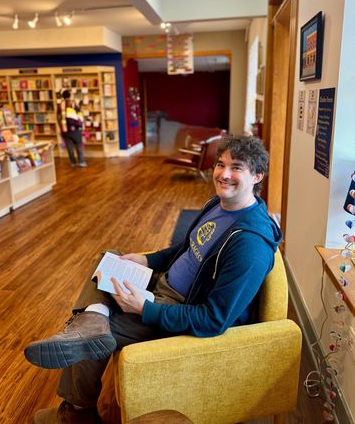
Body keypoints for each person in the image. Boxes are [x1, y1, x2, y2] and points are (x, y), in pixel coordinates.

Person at [24, 135, 282, 424]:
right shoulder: (219, 205)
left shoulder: (250, 244)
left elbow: (214, 319)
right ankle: (91, 320)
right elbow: (187, 248)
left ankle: (77, 413)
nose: (223, 174)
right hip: (163, 282)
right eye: (220, 164)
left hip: (178, 308)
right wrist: (147, 260)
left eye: (237, 168)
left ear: (257, 176)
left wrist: (146, 309)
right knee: (108, 259)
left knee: (95, 330)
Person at [57, 90, 87, 167]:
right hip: (75, 129)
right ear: (70, 96)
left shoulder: (60, 105)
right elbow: (79, 114)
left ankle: (73, 162)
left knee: (69, 147)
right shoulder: (72, 104)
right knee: (79, 145)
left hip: (65, 130)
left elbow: (58, 117)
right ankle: (81, 162)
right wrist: (80, 125)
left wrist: (62, 128)